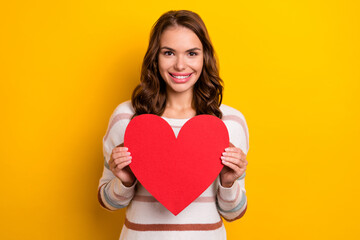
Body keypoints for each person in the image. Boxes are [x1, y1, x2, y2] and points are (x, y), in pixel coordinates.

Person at [97, 10, 249, 240]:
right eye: (168, 53)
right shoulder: (127, 118)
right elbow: (107, 203)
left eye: (191, 53)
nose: (180, 65)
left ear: (204, 57)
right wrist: (124, 182)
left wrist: (228, 183)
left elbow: (234, 213)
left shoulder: (230, 123)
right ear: (155, 58)